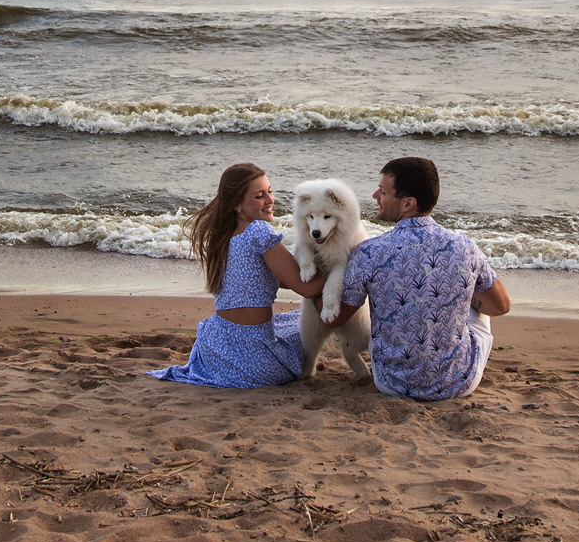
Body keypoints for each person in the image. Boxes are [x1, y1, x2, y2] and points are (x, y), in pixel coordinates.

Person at [337, 155, 512, 401]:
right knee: (476, 299)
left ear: (408, 203)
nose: (375, 197)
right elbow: (501, 306)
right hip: (457, 383)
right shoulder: (463, 246)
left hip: (391, 383)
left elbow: (338, 318)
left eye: (383, 191)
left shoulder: (368, 252)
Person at [150, 162, 331, 388]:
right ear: (237, 204)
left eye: (270, 191)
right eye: (259, 196)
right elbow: (306, 288)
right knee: (311, 320)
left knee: (294, 319)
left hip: (217, 347)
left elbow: (279, 279)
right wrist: (347, 269)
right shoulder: (258, 231)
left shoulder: (224, 235)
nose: (270, 200)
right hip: (253, 359)